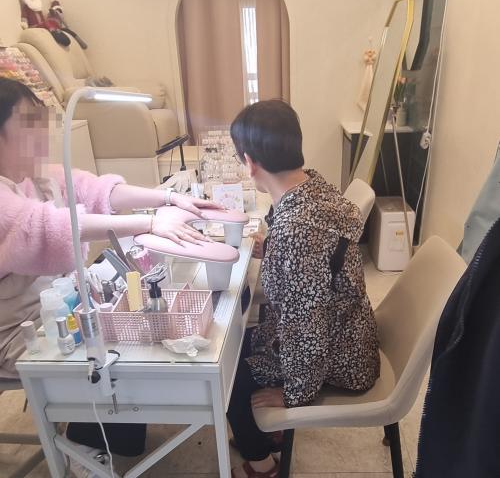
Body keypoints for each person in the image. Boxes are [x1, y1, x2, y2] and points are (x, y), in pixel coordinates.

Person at [0, 77, 221, 477]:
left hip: (65, 302)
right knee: (121, 353)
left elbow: (97, 190)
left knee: (130, 328)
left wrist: (169, 197)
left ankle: (109, 431)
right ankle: (83, 443)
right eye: (27, 121)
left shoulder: (36, 176)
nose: (42, 130)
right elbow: (45, 226)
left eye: (41, 118)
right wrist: (149, 222)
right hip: (20, 330)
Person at [227, 100, 380, 478]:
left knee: (227, 375)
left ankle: (262, 464)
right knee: (242, 342)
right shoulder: (314, 187)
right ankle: (264, 435)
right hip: (349, 333)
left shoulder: (297, 232)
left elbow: (306, 328)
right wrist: (274, 248)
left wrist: (294, 393)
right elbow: (318, 259)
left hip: (341, 356)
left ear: (249, 162)